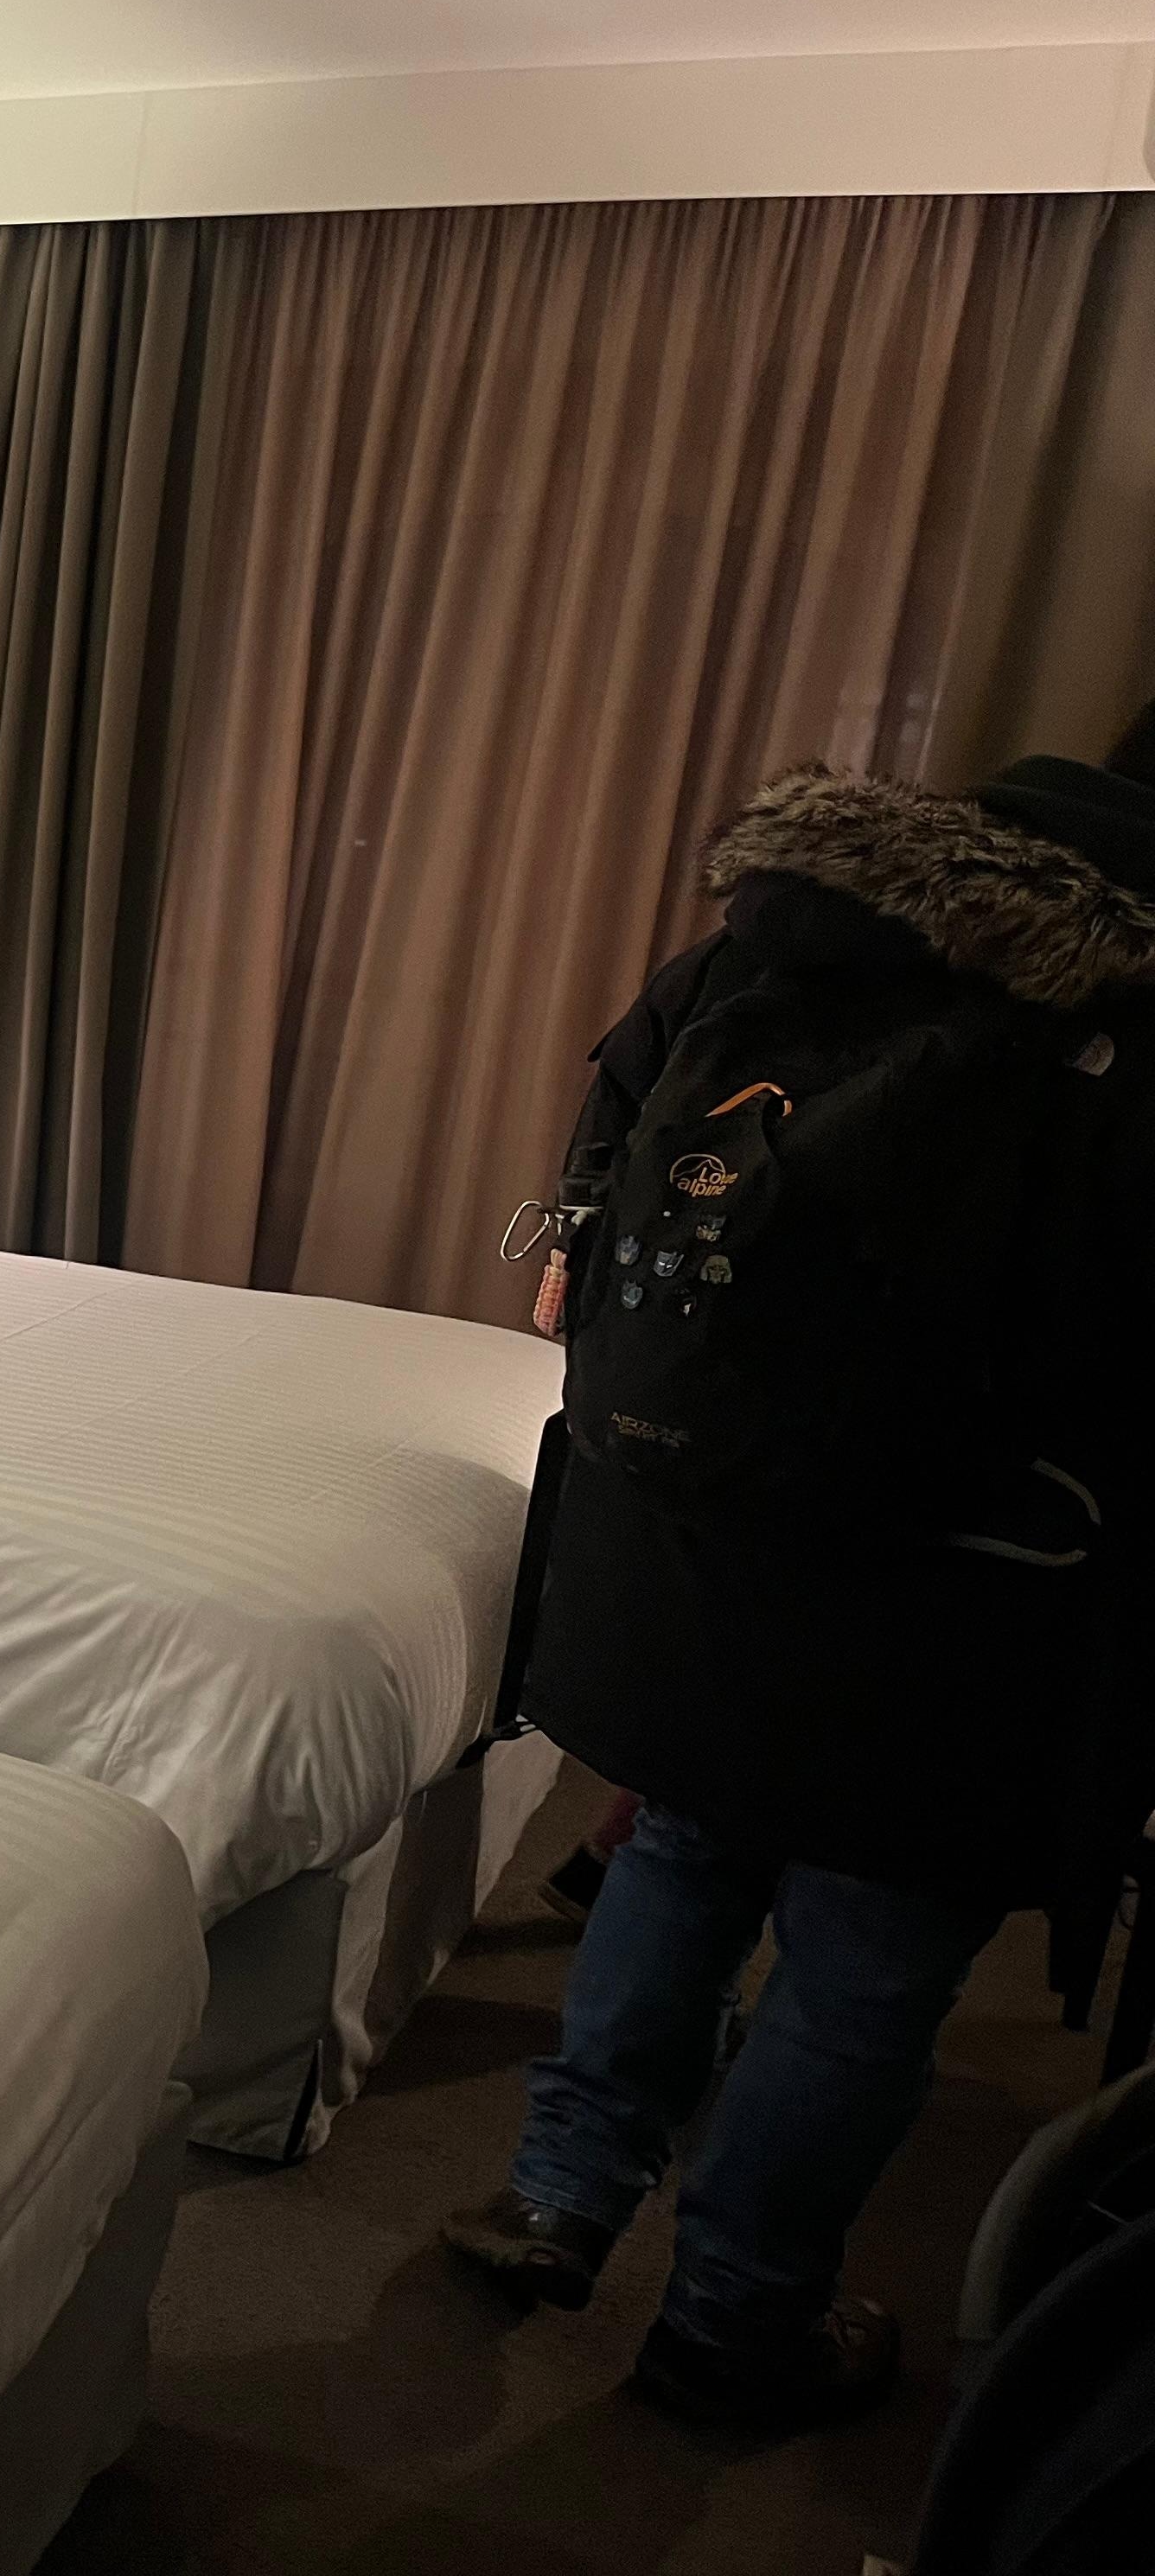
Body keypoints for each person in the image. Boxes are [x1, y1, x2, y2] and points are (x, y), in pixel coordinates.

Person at [444, 705, 1155, 2434]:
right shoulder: (1121, 1009)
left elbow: (606, 1178)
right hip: (974, 1580)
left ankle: (560, 2194)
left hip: (708, 1531)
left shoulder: (792, 935)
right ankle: (734, 2322)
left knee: (687, 1854)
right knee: (865, 1958)